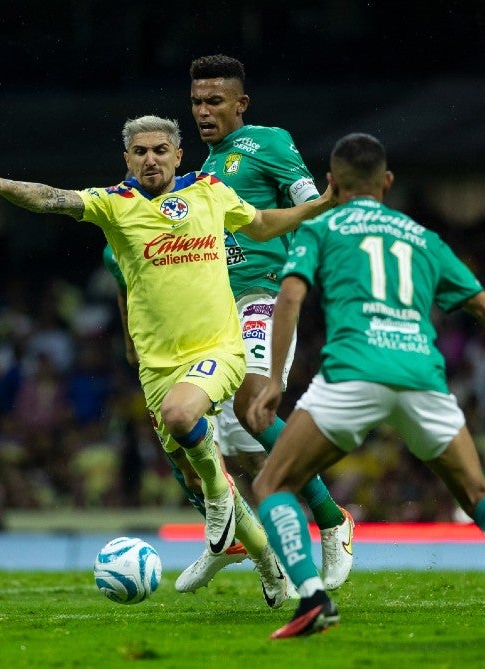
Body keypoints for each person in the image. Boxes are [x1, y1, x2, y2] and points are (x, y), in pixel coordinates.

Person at [0, 114, 334, 609]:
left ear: (179, 155)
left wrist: (319, 204)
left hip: (218, 349)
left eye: (160, 150)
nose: (151, 159)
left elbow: (262, 224)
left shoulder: (210, 191)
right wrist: (3, 185)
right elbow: (53, 198)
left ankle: (224, 509)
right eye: (140, 152)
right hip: (158, 368)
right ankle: (267, 565)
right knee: (192, 468)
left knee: (183, 420)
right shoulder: (116, 204)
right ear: (127, 159)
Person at [247, 133, 485, 638]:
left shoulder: (323, 225)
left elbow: (290, 297)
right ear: (387, 182)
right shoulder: (421, 237)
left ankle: (312, 597)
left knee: (273, 484)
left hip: (353, 373)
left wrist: (275, 381)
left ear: (331, 183)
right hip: (422, 376)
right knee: (476, 492)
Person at [174, 54, 353, 594]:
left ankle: (332, 520)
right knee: (220, 440)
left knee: (256, 403)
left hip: (264, 293)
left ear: (240, 104)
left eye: (215, 101)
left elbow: (313, 206)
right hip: (211, 310)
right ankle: (237, 539)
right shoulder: (197, 172)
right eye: (197, 102)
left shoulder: (268, 142)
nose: (204, 111)